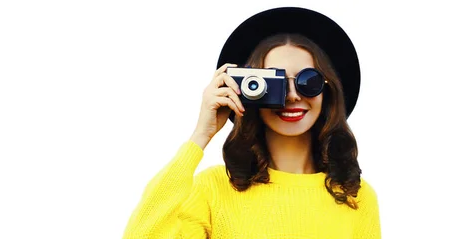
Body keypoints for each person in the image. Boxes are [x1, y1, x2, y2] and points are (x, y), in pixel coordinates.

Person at [122, 7, 380, 239]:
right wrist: (200, 136)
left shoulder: (355, 196)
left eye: (308, 82)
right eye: (275, 83)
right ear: (249, 89)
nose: (292, 95)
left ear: (328, 90)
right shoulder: (212, 189)